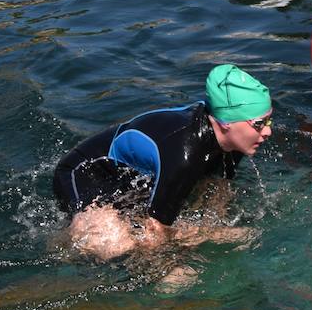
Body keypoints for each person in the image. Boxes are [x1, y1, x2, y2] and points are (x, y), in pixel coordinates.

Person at [52, 64, 273, 260]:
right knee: (114, 245)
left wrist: (216, 225)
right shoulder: (185, 154)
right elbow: (155, 231)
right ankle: (59, 246)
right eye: (259, 124)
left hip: (130, 176)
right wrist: (176, 259)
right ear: (226, 123)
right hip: (84, 172)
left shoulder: (236, 140)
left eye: (269, 121)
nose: (267, 131)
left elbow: (219, 187)